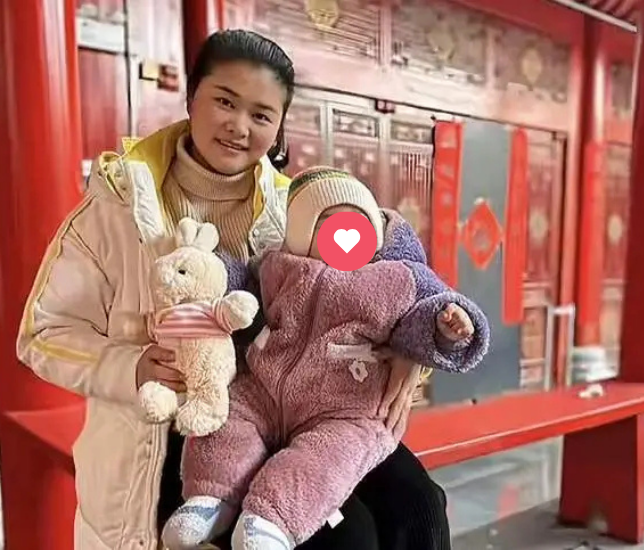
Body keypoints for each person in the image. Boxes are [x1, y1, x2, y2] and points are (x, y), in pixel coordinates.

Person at [17, 29, 452, 550]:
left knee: (421, 508)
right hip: (170, 429)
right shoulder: (114, 209)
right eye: (224, 101)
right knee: (348, 535)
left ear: (279, 126)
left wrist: (411, 350)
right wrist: (131, 367)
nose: (239, 127)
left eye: (261, 115)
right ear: (191, 97)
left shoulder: (296, 206)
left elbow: (394, 281)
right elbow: (43, 334)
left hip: (299, 411)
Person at [162, 168, 490, 550]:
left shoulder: (384, 275)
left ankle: (271, 519)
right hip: (257, 393)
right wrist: (202, 273)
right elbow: (234, 282)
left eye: (356, 223)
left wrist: (437, 332)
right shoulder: (278, 264)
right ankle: (210, 500)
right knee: (349, 530)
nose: (344, 233)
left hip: (342, 411)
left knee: (421, 506)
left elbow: (423, 305)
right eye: (326, 225)